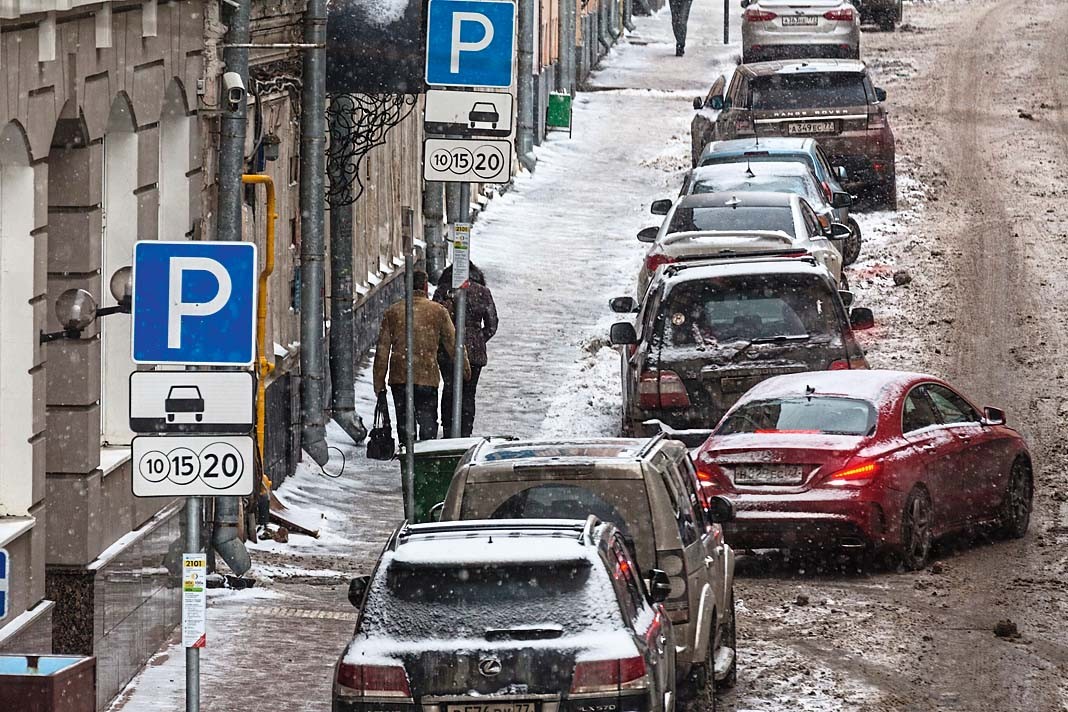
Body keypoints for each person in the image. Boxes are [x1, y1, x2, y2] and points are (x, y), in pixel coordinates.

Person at [373, 270, 470, 445]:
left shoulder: (393, 312)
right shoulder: (438, 311)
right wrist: (464, 369)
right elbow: (454, 344)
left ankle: (407, 453)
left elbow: (382, 351)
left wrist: (379, 383)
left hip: (400, 377)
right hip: (427, 376)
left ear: (406, 286)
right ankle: (425, 456)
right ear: (425, 286)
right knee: (428, 425)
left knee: (405, 425)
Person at [433, 262, 499, 437]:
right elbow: (492, 324)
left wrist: (445, 339)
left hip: (448, 350)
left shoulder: (444, 291)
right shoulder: (483, 292)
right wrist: (478, 338)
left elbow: (434, 318)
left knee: (449, 389)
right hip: (474, 352)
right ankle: (465, 431)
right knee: (469, 393)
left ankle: (448, 430)